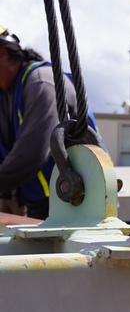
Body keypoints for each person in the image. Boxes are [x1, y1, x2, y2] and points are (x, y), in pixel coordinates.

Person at [0, 28, 89, 221]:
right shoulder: (6, 92)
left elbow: (31, 153)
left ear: (2, 53)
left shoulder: (41, 83)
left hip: (77, 201)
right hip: (42, 203)